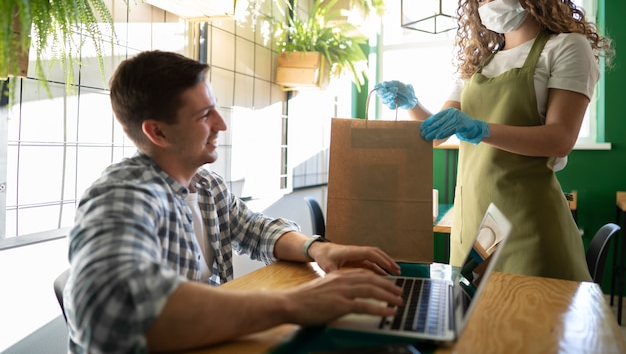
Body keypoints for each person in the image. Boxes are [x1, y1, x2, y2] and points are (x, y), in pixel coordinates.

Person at [64, 50, 404, 353]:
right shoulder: (122, 195)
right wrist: (291, 305)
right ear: (158, 132)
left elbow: (255, 229)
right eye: (205, 115)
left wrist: (317, 249)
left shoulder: (207, 185)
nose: (221, 125)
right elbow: (109, 317)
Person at [376, 0, 612, 282]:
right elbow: (438, 132)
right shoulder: (480, 64)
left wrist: (483, 129)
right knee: (472, 325)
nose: (490, 3)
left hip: (527, 222)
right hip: (472, 221)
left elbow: (560, 139)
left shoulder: (565, 47)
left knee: (527, 326)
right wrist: (412, 103)